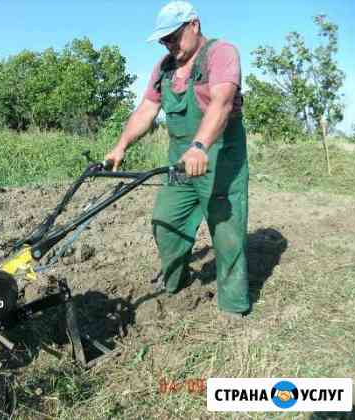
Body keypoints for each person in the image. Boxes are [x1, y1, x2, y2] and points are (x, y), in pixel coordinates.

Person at [105, 1, 249, 318]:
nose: (169, 45)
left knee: (227, 234)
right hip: (180, 160)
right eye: (164, 40)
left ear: (193, 25)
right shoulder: (164, 67)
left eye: (173, 37)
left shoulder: (221, 53)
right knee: (166, 223)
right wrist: (121, 145)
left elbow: (222, 104)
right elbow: (146, 110)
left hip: (220, 154)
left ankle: (233, 306)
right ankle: (177, 282)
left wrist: (200, 145)